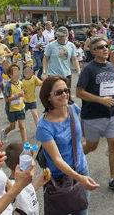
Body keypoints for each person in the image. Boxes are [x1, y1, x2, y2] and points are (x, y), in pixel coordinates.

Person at [36, 76, 100, 215]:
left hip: (81, 169)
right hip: (58, 178)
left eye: (66, 90)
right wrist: (79, 178)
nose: (64, 94)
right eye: (59, 92)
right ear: (48, 98)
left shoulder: (73, 109)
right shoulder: (44, 127)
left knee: (82, 212)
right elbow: (57, 159)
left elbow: (81, 131)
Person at [76, 37, 114, 194]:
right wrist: (100, 100)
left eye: (106, 46)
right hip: (92, 115)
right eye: (100, 47)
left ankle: (113, 179)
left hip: (111, 115)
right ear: (93, 51)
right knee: (92, 146)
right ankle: (72, 162)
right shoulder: (88, 69)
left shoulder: (111, 66)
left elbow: (111, 88)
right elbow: (79, 92)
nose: (105, 49)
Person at [4, 142, 50, 215]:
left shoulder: (24, 179)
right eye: (31, 160)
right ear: (23, 164)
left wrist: (38, 183)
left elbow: (24, 197)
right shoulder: (11, 187)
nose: (33, 163)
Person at [1, 64, 27, 143]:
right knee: (12, 126)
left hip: (20, 108)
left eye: (18, 72)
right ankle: (4, 133)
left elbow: (23, 93)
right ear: (10, 75)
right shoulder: (8, 86)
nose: (17, 74)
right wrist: (17, 95)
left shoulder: (21, 83)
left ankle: (25, 144)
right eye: (15, 72)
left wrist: (23, 97)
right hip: (11, 109)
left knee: (22, 126)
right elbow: (7, 100)